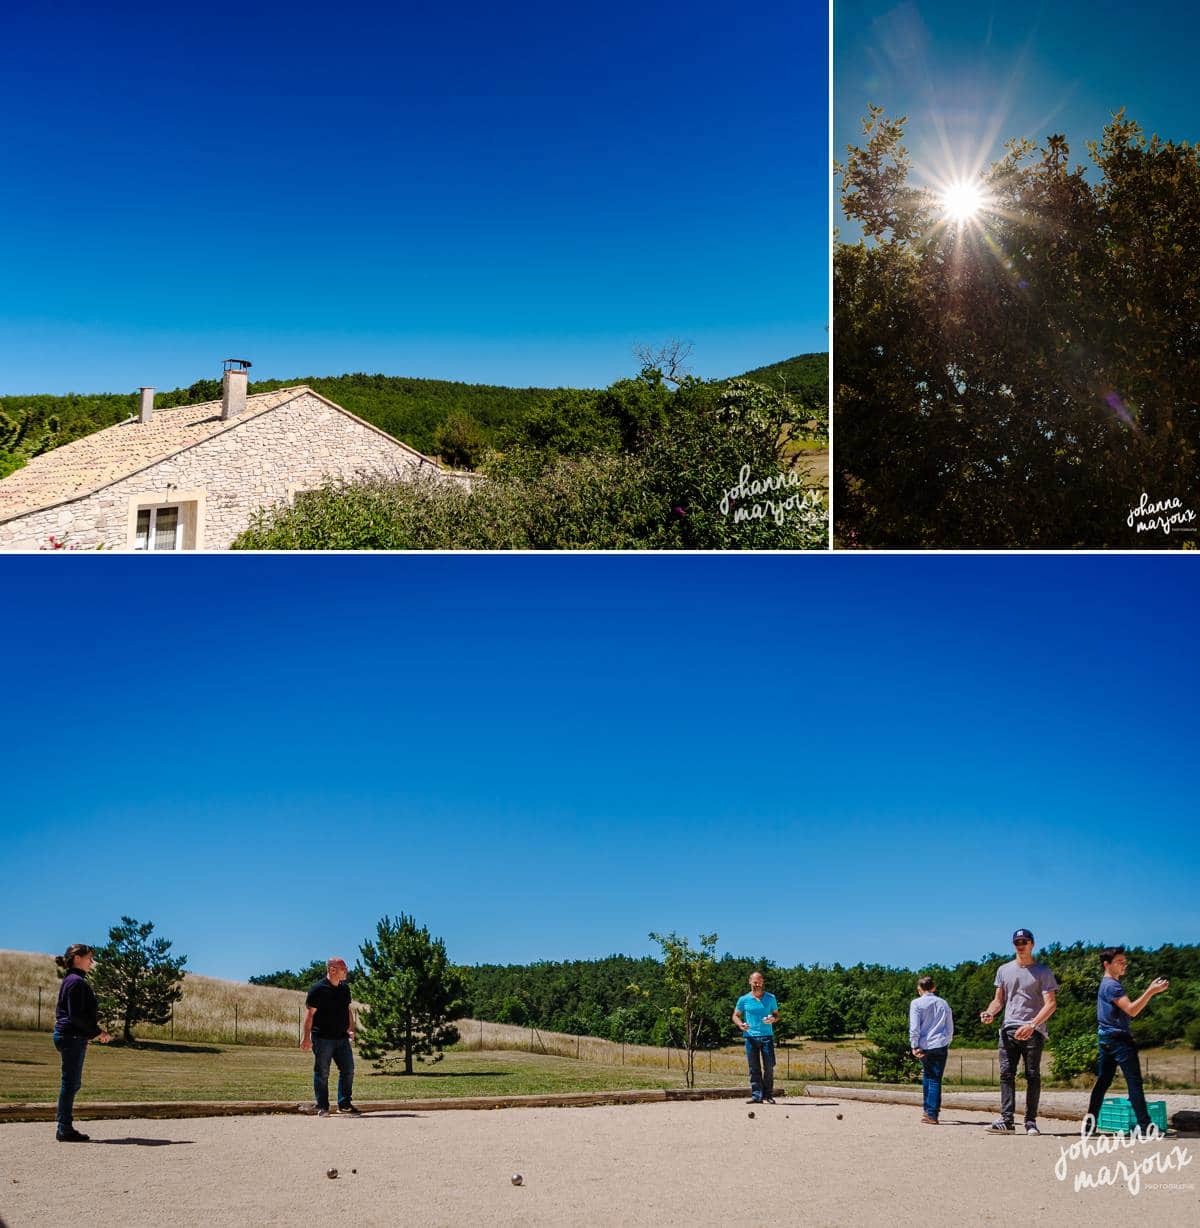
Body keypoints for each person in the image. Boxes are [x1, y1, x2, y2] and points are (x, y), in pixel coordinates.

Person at [1084, 947, 1169, 1137]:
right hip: (1119, 1040)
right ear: (1107, 964)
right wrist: (1150, 991)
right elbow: (1131, 1010)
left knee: (1103, 1082)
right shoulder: (1113, 986)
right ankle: (1146, 1127)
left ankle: (1089, 1125)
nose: (1124, 965)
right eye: (1119, 962)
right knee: (1134, 1083)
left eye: (1124, 961)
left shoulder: (1105, 984)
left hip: (1105, 1038)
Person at [979, 928, 1058, 1135]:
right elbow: (999, 1000)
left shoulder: (1043, 971)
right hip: (1008, 1029)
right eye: (1017, 942)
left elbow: (1051, 1004)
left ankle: (1030, 1122)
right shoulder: (1004, 970)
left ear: (1032, 944)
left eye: (1024, 941)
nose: (1020, 945)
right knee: (1006, 1074)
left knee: (1032, 1075)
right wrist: (990, 1012)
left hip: (1033, 1030)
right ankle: (1007, 1120)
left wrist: (1032, 1025)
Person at [52, 944, 112, 1142]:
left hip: (70, 1036)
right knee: (70, 1083)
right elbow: (76, 1015)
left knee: (71, 1083)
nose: (91, 962)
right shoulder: (76, 982)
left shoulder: (71, 980)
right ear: (77, 958)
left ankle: (64, 1125)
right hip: (72, 1036)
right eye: (89, 958)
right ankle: (64, 1128)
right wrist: (97, 1032)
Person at [301, 958, 360, 1117]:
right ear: (332, 970)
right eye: (343, 968)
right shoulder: (318, 989)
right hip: (322, 1038)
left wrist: (351, 1029)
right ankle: (322, 1106)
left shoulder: (345, 989)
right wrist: (306, 1037)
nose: (346, 971)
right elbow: (310, 1015)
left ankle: (344, 1104)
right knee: (322, 1072)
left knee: (348, 1070)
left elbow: (347, 1011)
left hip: (341, 1038)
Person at [909, 975, 954, 1125]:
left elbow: (914, 1027)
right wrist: (947, 1041)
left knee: (929, 1077)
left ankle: (930, 1112)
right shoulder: (943, 1003)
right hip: (940, 1043)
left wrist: (914, 1045)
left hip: (924, 1044)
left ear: (919, 989)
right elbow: (950, 1026)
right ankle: (929, 1110)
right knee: (933, 1077)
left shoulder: (916, 1003)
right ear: (933, 987)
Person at [732, 971, 780, 1105]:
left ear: (763, 982)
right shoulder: (744, 999)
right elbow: (735, 1015)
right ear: (749, 982)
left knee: (769, 1067)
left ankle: (768, 1095)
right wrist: (740, 1024)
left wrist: (772, 1019)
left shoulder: (771, 998)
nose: (757, 984)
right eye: (754, 982)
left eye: (759, 982)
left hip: (767, 1037)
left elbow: (776, 1015)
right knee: (754, 1068)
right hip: (750, 1037)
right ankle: (757, 1096)